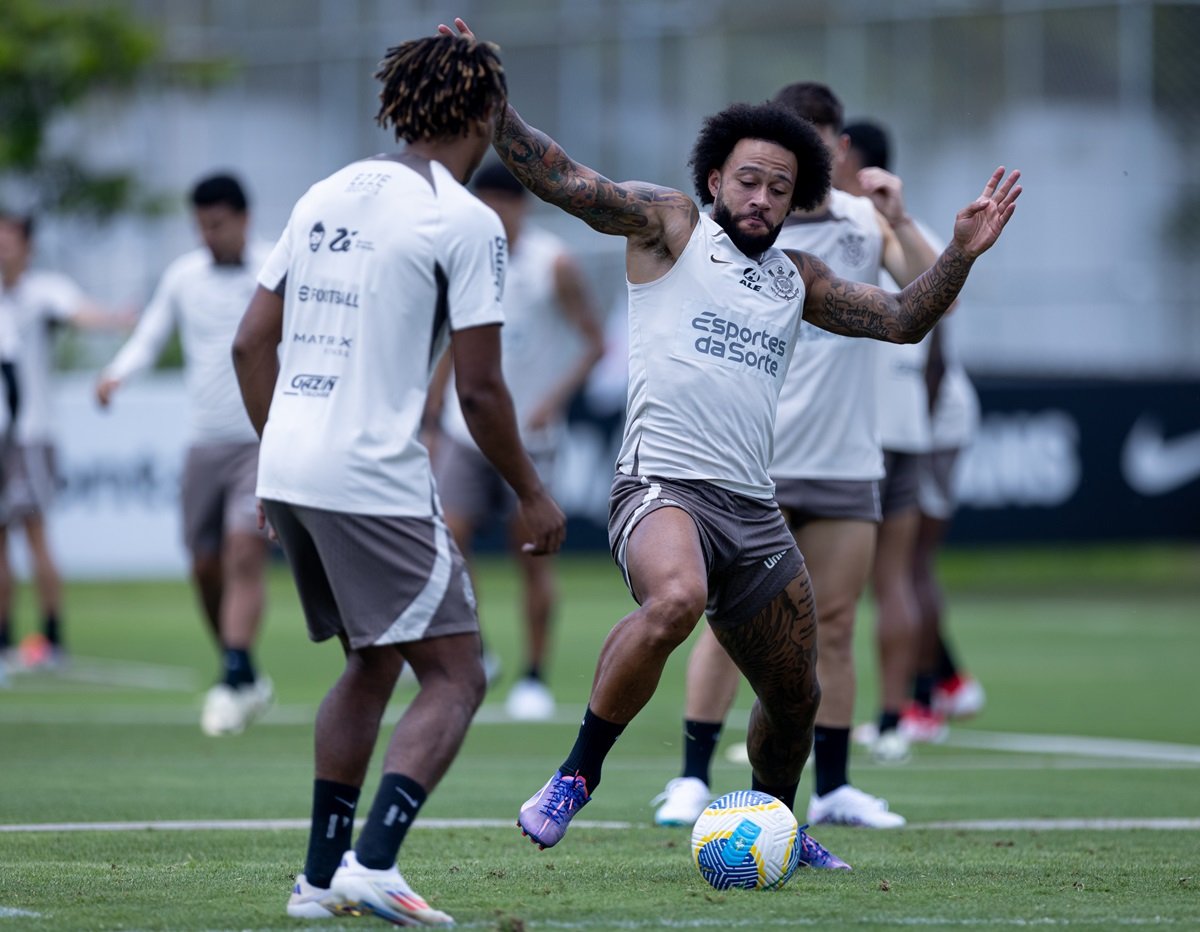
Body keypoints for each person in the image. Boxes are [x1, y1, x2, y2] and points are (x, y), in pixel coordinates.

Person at [438, 16, 1020, 864]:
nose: (761, 199)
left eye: (780, 189)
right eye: (747, 181)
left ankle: (775, 825)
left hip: (753, 506)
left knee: (797, 697)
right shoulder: (672, 228)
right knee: (674, 602)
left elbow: (900, 320)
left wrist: (961, 253)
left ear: (797, 199)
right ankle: (576, 774)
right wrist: (501, 117)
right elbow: (566, 181)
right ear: (715, 178)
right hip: (661, 488)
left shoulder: (796, 279)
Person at [232, 31, 565, 925]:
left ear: (398, 102)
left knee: (374, 663)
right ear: (487, 114)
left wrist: (277, 453)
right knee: (457, 674)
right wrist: (533, 490)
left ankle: (316, 879)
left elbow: (247, 342)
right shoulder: (466, 221)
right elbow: (484, 390)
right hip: (370, 475)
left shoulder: (324, 192)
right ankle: (372, 861)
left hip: (294, 465)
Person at [651, 84, 940, 831]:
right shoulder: (728, 236)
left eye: (820, 144)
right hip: (757, 462)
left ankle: (836, 787)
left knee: (835, 628)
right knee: (728, 623)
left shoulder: (861, 220)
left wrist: (900, 217)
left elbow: (928, 292)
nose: (792, 170)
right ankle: (690, 776)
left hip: (846, 457)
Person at [95, 174, 275, 736]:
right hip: (204, 440)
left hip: (259, 438)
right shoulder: (183, 276)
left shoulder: (275, 268)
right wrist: (116, 374)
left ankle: (233, 671)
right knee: (202, 563)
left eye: (216, 224)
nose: (207, 236)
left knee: (244, 549)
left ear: (243, 220)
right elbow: (150, 335)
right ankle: (241, 668)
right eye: (199, 225)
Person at [426, 160, 604, 721]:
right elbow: (457, 342)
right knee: (449, 539)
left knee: (530, 556)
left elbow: (595, 344)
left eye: (501, 206)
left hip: (529, 434)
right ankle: (476, 651)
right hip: (465, 425)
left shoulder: (555, 265)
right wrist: (432, 413)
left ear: (521, 206)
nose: (492, 217)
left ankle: (534, 675)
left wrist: (554, 399)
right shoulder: (465, 258)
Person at [839, 121, 987, 735]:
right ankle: (941, 686)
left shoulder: (889, 224)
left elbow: (937, 331)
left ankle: (922, 699)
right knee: (897, 568)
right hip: (901, 415)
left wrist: (915, 420)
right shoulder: (848, 222)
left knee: (905, 566)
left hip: (924, 416)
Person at [0, 210, 133, 670]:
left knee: (35, 535)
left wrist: (117, 320)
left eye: (9, 238)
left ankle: (53, 635)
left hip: (31, 434)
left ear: (27, 246)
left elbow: (79, 313)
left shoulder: (42, 291)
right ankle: (4, 639)